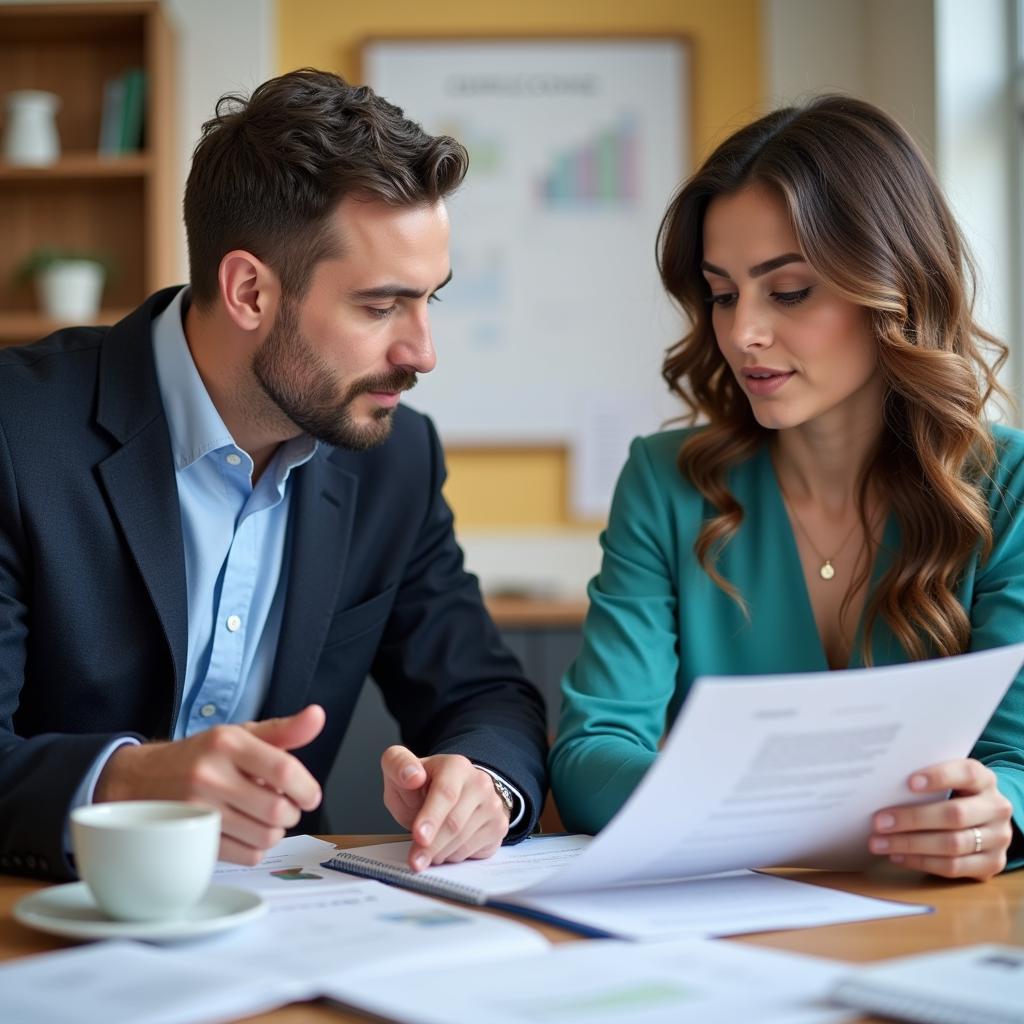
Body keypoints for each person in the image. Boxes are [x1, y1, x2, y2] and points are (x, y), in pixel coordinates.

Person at [0, 69, 548, 881]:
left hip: (285, 919)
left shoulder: (396, 459)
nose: (422, 352)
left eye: (431, 300)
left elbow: (485, 695)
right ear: (250, 289)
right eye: (379, 306)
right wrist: (124, 782)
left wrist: (483, 784)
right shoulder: (16, 430)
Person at [550, 95, 1024, 881]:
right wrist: (802, 822)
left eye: (791, 291)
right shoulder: (665, 483)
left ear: (893, 285)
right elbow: (592, 756)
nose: (742, 334)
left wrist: (991, 809)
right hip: (727, 933)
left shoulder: (1005, 483)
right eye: (724, 293)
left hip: (940, 922)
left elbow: (1016, 765)